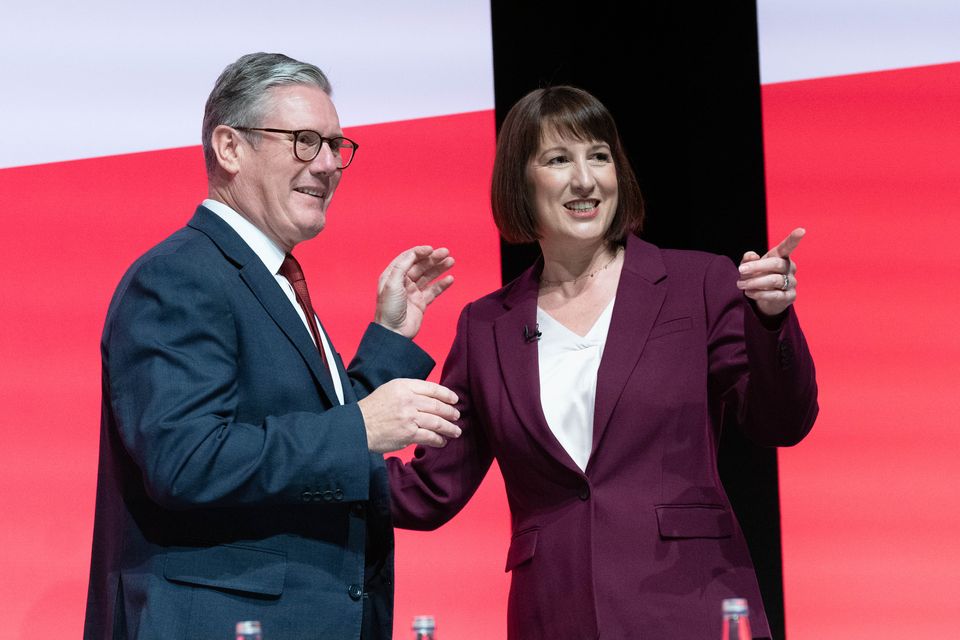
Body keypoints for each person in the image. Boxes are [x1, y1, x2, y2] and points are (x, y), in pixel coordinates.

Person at [387, 86, 818, 639]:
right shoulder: (486, 325)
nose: (585, 179)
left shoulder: (697, 284)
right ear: (521, 182)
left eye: (599, 156)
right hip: (556, 613)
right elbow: (430, 491)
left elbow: (781, 422)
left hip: (690, 606)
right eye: (558, 159)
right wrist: (320, 455)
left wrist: (772, 322)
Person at [83, 52, 462, 640]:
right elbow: (186, 460)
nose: (329, 164)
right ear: (230, 147)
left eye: (337, 146)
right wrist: (359, 426)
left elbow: (316, 433)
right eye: (305, 141)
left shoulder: (274, 281)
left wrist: (388, 339)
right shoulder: (180, 275)